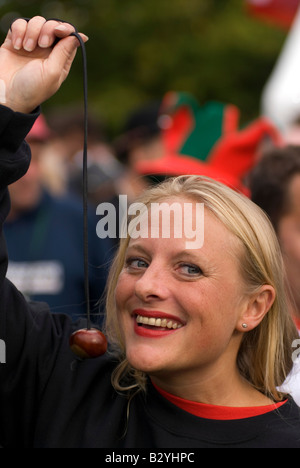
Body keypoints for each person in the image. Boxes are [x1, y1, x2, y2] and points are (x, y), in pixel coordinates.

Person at [0, 17, 299, 449]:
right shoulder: (58, 379)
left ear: (254, 306)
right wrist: (7, 105)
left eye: (189, 268)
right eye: (137, 261)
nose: (148, 286)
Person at [4, 114, 113, 322]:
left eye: (35, 159)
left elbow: (107, 304)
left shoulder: (78, 218)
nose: (28, 174)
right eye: (14, 162)